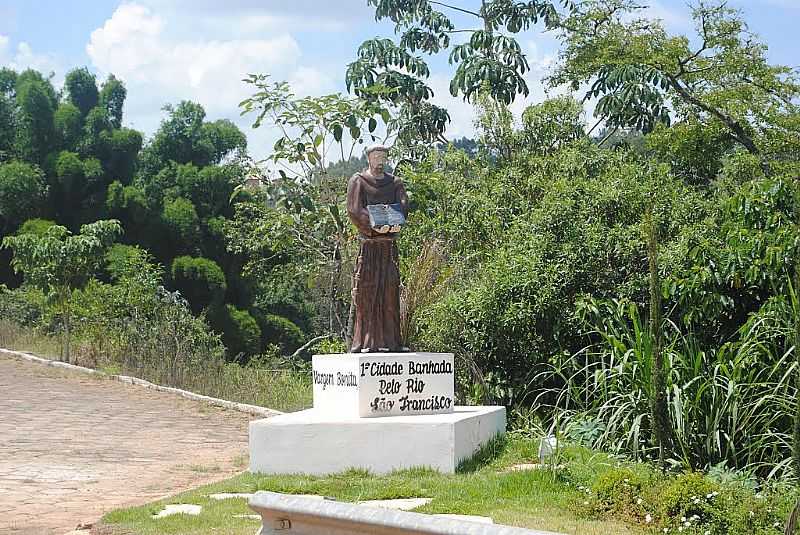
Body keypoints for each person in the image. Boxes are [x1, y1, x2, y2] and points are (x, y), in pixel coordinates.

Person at [346, 145, 409, 352]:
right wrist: (376, 224)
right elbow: (354, 210)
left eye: (384, 157)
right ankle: (365, 341)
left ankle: (392, 341)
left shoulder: (395, 183)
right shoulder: (359, 181)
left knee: (390, 291)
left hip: (388, 248)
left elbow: (402, 207)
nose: (380, 161)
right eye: (376, 157)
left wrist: (390, 223)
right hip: (369, 247)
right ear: (369, 158)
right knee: (367, 292)